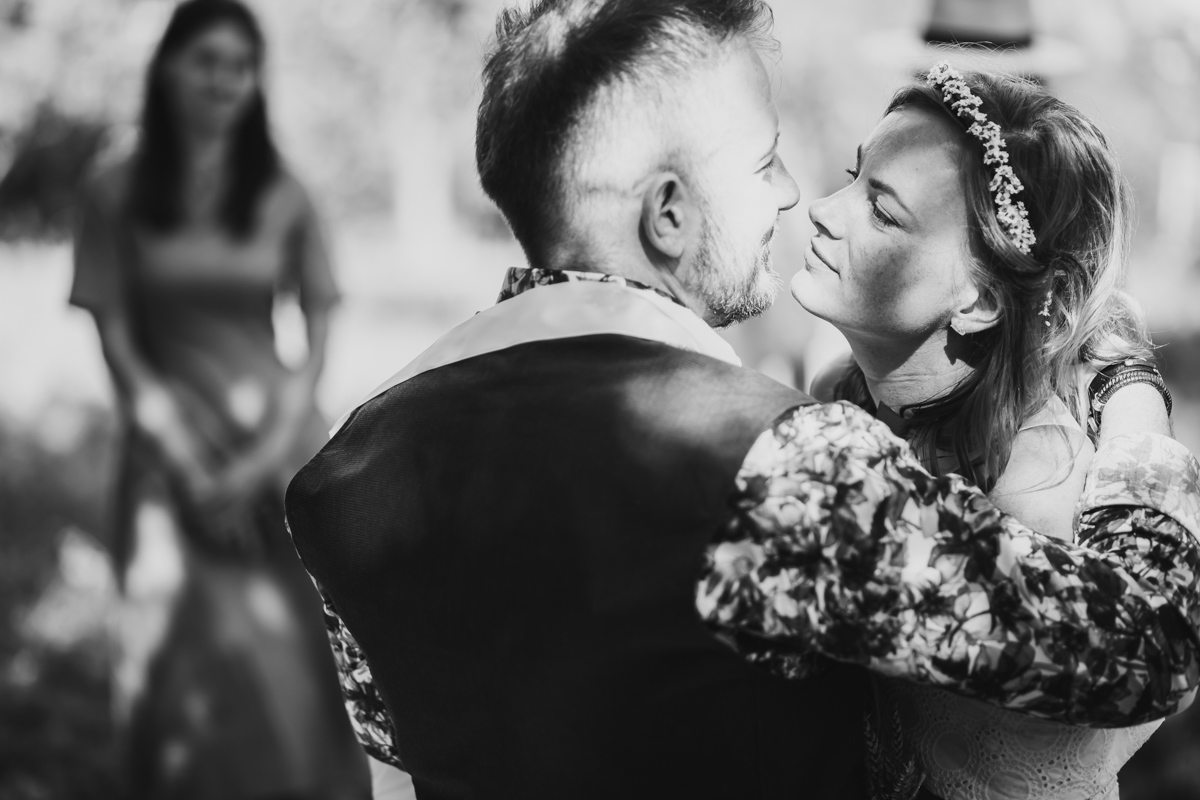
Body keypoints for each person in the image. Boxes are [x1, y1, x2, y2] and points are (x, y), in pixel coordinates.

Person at [284, 2, 1200, 798]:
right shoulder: (781, 467)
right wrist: (1129, 391)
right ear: (668, 215)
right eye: (764, 165)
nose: (799, 198)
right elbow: (1143, 648)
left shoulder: (345, 471)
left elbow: (394, 769)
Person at [788, 63, 1192, 800]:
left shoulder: (1037, 492)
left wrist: (1133, 391)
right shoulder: (841, 390)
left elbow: (1137, 666)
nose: (820, 210)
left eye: (882, 212)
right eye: (852, 178)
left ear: (978, 301)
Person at [69, 1, 369, 797]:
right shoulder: (112, 190)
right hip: (165, 456)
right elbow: (118, 343)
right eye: (207, 60)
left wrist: (263, 463)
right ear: (167, 68)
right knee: (180, 664)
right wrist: (188, 465)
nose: (225, 81)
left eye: (241, 65)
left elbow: (319, 331)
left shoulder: (284, 191)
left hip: (277, 451)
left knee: (302, 666)